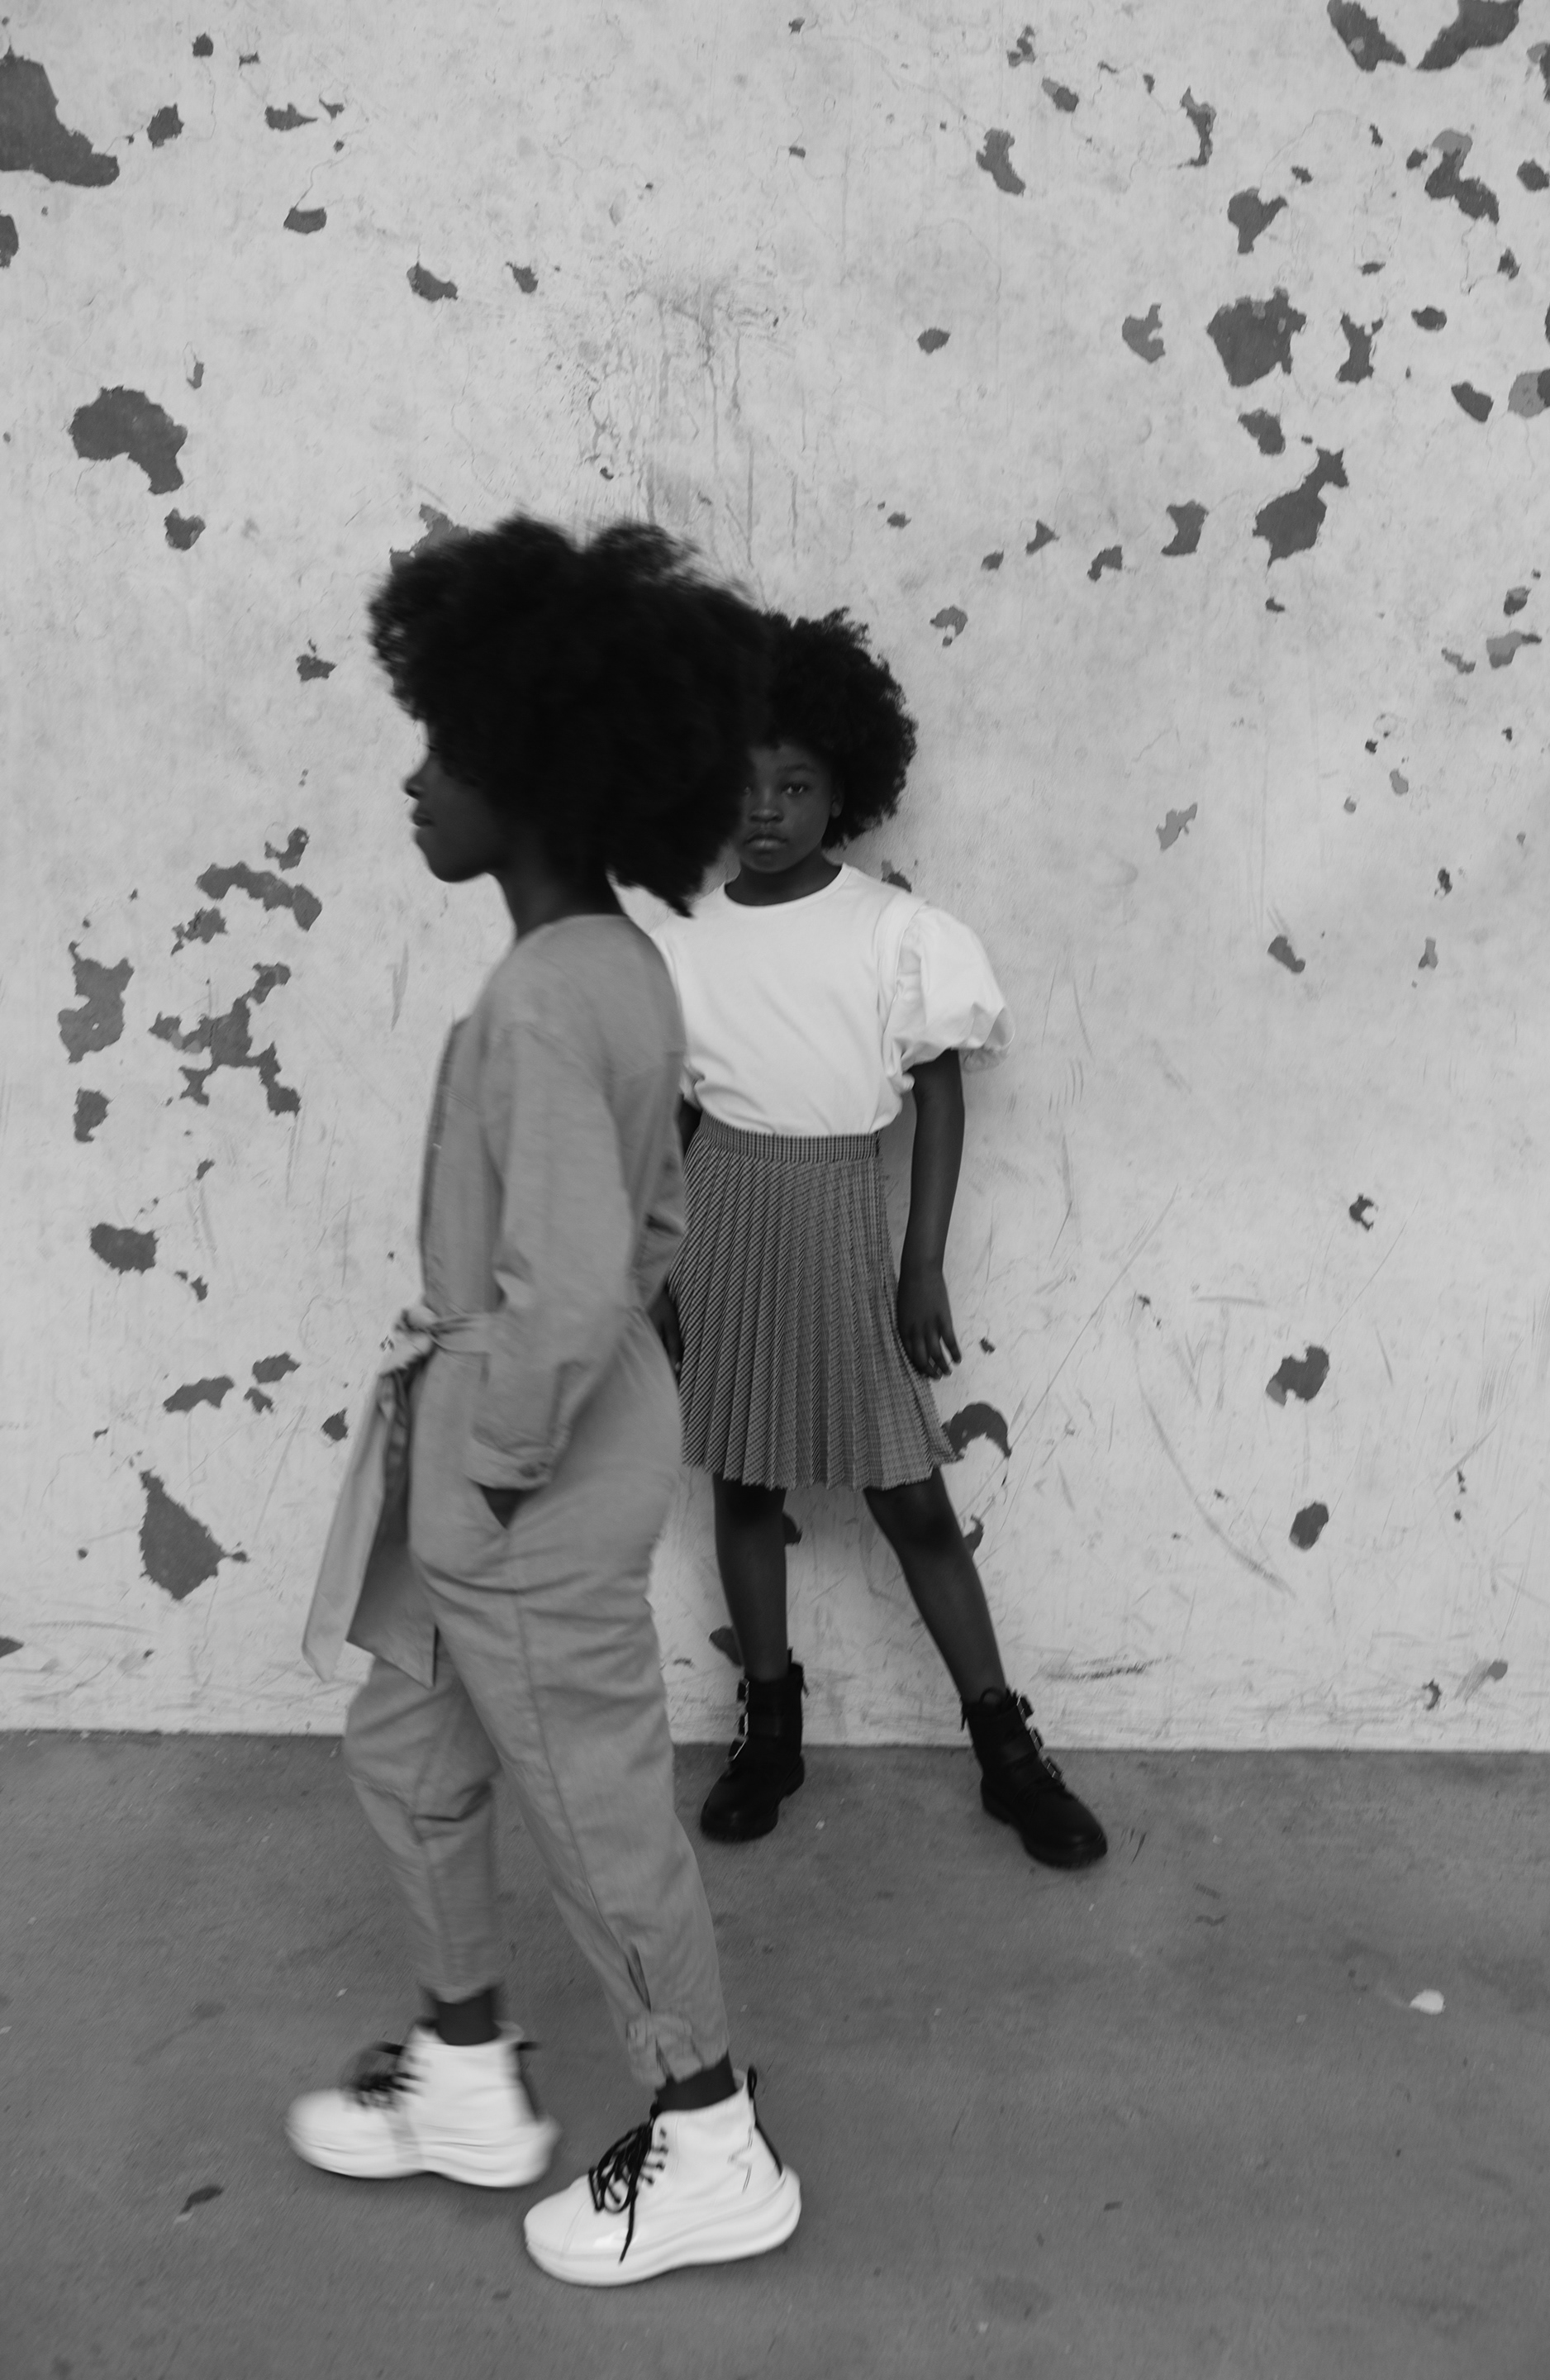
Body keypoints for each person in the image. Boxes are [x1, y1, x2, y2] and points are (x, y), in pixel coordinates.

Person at [289, 518, 801, 2287]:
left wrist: (495, 1465)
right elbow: (638, 1237)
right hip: (510, 1427)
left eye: (442, 749)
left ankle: (710, 2137)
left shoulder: (544, 998)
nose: (414, 783)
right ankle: (462, 2073)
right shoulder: (610, 965)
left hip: (527, 1450)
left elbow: (577, 1282)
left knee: (590, 1796)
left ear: (532, 765)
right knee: (410, 1738)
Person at [648, 608, 1107, 1869]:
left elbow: (939, 1097)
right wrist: (658, 1263)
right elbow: (675, 1116)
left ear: (846, 788)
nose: (767, 810)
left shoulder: (894, 932)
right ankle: (771, 1733)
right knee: (744, 1480)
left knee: (910, 1496)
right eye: (745, 785)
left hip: (844, 1217)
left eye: (796, 784)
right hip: (726, 1216)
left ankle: (1007, 1750)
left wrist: (920, 1264)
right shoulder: (683, 942)